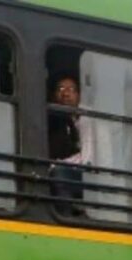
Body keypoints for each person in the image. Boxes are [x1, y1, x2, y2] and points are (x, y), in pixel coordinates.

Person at [47, 76, 92, 214]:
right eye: (61, 89)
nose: (65, 93)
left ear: (78, 95)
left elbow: (87, 157)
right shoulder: (56, 119)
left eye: (71, 89)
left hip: (91, 173)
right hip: (71, 169)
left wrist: (57, 164)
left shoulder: (89, 118)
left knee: (59, 173)